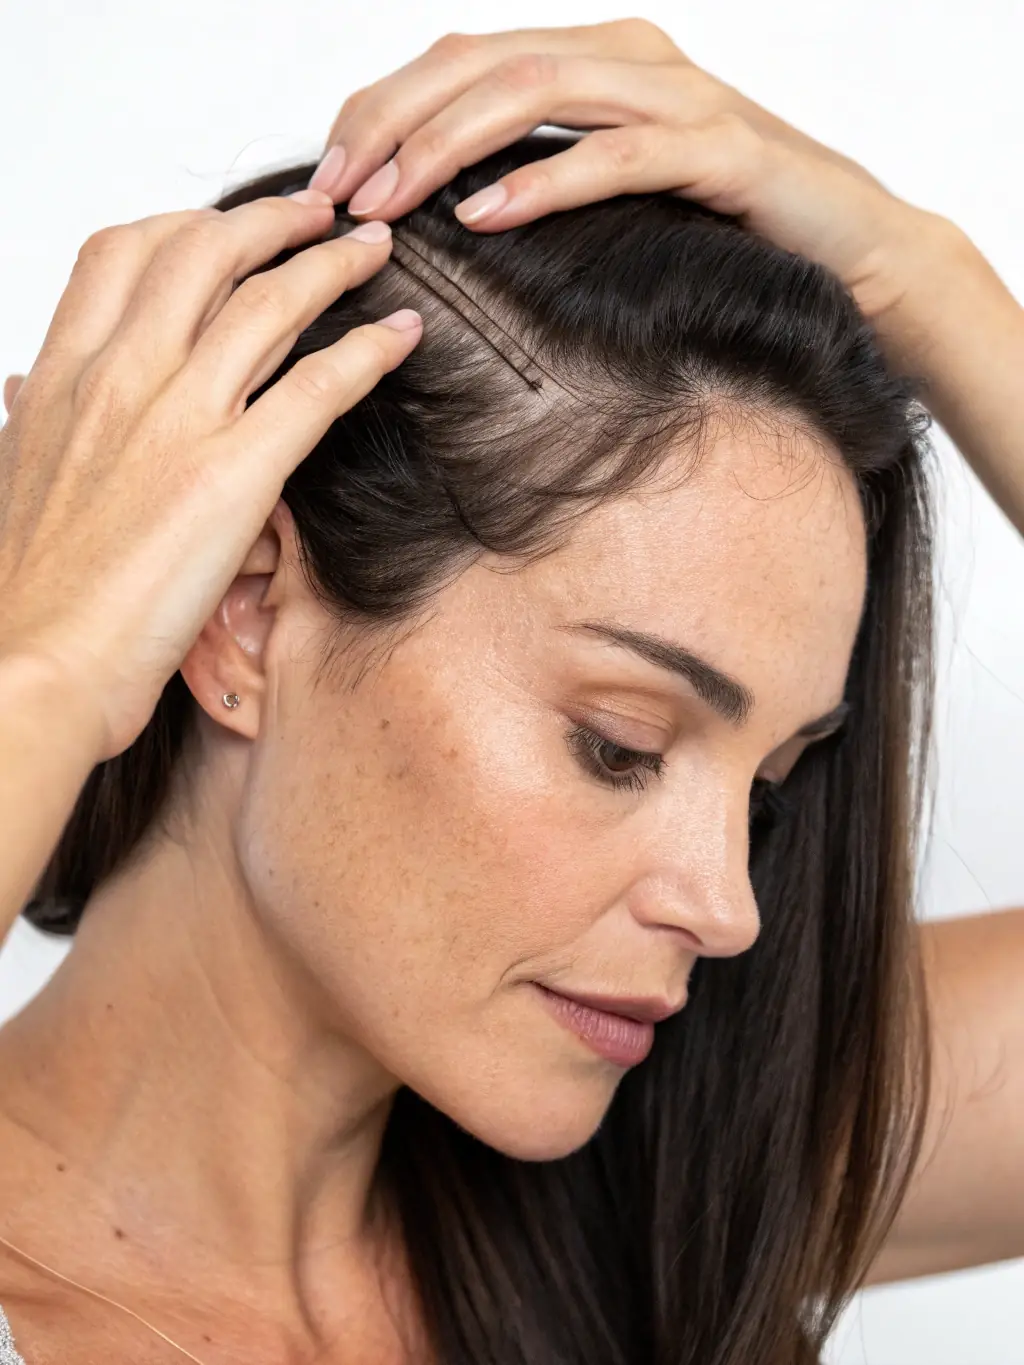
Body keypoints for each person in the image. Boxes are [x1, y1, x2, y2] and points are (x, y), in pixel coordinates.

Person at [0, 18, 1021, 1365]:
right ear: (242, 618)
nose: (729, 909)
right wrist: (49, 666)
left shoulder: (674, 1203)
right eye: (619, 745)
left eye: (767, 793)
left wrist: (926, 280)